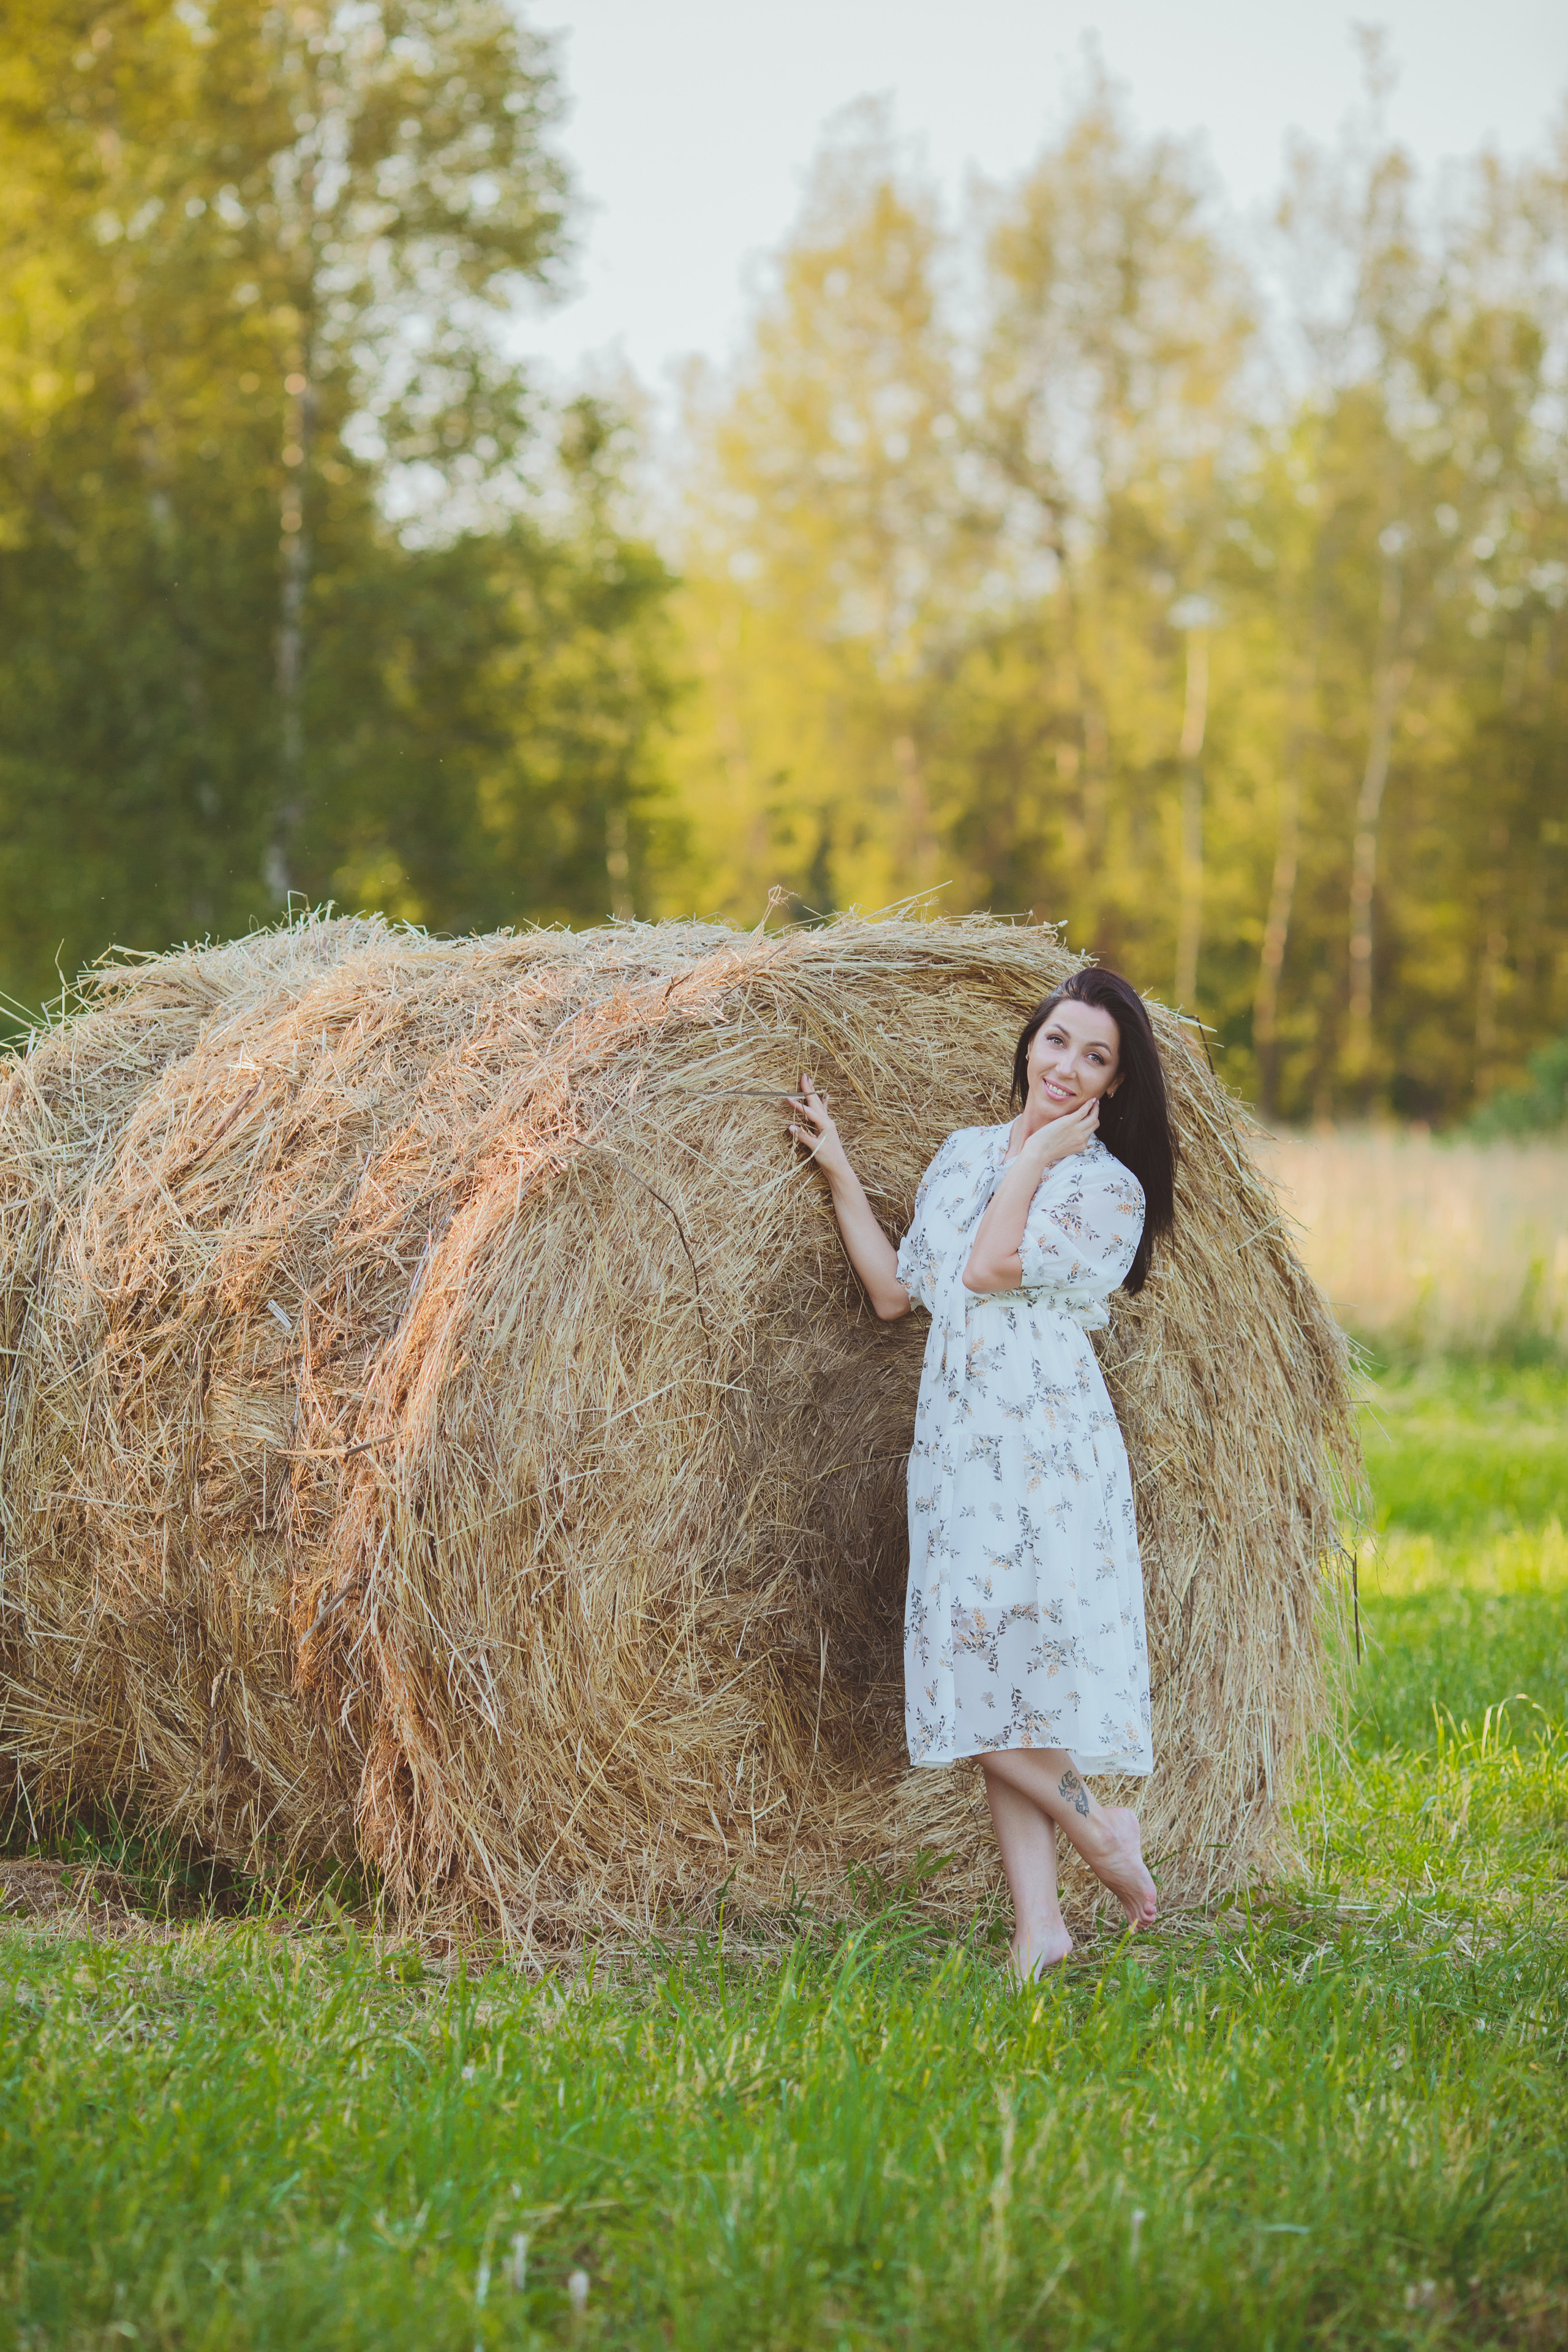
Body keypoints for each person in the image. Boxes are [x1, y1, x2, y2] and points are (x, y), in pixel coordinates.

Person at [786, 966, 1177, 1978]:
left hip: (1044, 1442)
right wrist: (837, 1169)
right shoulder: (962, 1156)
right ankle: (1042, 1922)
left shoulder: (1105, 1189)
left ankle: (1094, 1828)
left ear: (1117, 1083)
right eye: (1057, 1042)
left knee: (999, 1674)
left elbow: (990, 1268)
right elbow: (895, 1295)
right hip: (960, 1443)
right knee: (985, 1669)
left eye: (1096, 1058)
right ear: (1030, 1043)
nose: (1068, 1067)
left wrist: (1038, 1155)